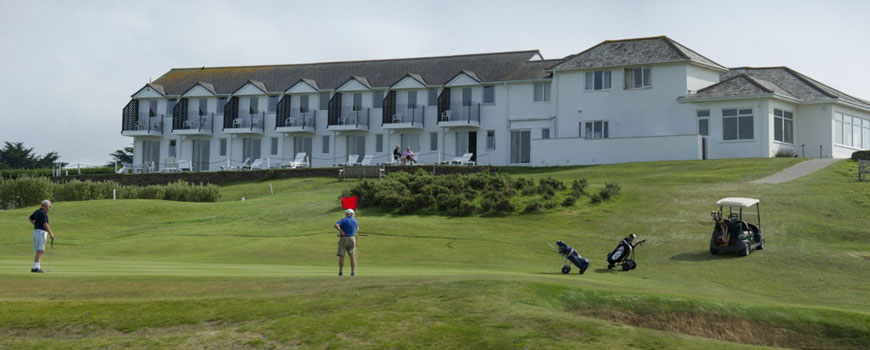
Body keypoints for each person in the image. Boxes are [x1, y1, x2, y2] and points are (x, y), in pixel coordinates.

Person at [28, 200, 55, 273]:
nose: (50, 208)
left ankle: (37, 267)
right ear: (46, 206)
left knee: (39, 250)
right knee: (40, 250)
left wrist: (36, 224)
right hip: (41, 232)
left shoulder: (37, 211)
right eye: (50, 206)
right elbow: (45, 224)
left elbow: (30, 218)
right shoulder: (43, 213)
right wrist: (51, 234)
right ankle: (35, 268)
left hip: (36, 231)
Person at [334, 209, 358, 276]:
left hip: (344, 239)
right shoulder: (356, 221)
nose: (346, 214)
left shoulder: (343, 220)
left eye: (347, 213)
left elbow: (336, 225)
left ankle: (340, 272)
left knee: (342, 256)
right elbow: (356, 229)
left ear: (349, 214)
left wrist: (341, 231)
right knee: (352, 256)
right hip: (352, 239)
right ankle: (353, 272)